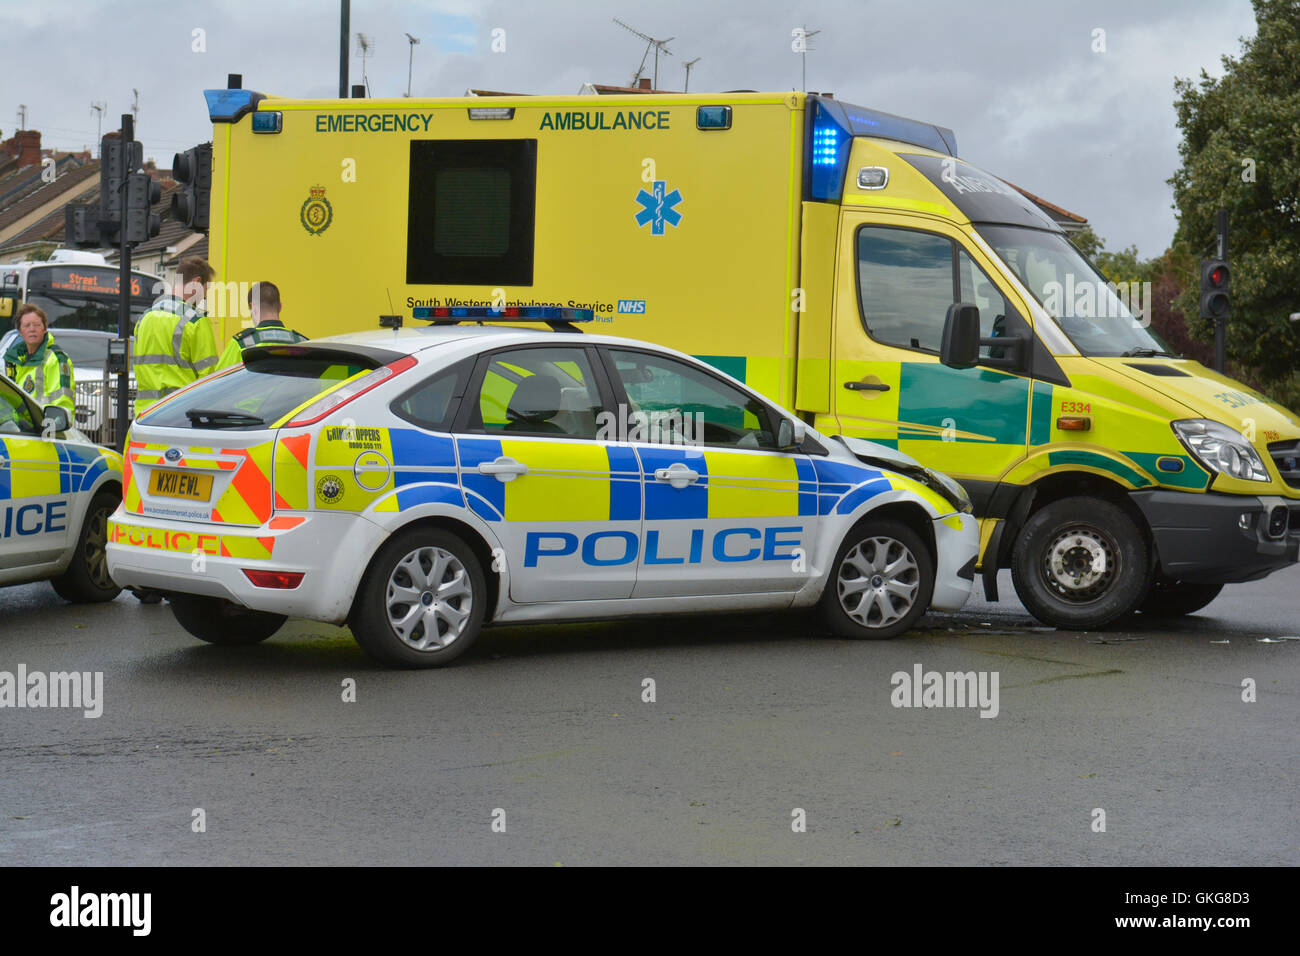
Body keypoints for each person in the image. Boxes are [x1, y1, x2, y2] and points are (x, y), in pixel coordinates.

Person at [132, 257, 219, 416]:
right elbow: (209, 379)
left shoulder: (144, 318)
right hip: (180, 415)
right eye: (206, 290)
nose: (204, 297)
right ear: (196, 283)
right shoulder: (195, 321)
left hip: (144, 414)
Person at [215, 281, 307, 370]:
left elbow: (218, 382)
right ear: (280, 307)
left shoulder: (241, 344)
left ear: (253, 307)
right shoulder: (303, 343)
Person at [2, 304, 75, 418]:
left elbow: (62, 403)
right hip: (20, 430)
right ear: (20, 331)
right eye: (27, 325)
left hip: (43, 431)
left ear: (44, 329)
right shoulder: (15, 361)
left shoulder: (56, 359)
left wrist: (50, 431)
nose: (32, 329)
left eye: (37, 325)